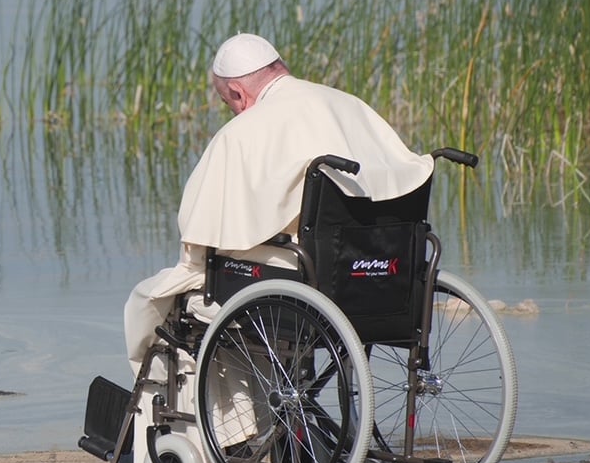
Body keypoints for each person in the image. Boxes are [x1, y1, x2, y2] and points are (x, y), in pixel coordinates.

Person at [123, 32, 434, 376]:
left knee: (152, 299)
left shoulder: (243, 131)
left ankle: (220, 425)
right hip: (383, 275)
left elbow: (198, 243)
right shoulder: (352, 105)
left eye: (231, 104)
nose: (235, 112)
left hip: (307, 284)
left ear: (238, 94)